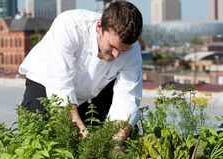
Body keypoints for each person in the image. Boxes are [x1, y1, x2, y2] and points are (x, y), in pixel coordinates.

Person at [19, 1, 143, 141]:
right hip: (45, 82)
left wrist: (116, 142)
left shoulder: (133, 50)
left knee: (100, 138)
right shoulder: (69, 25)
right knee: (35, 136)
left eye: (123, 50)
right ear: (99, 27)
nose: (116, 55)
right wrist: (85, 138)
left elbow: (127, 99)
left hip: (89, 92)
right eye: (112, 46)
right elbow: (60, 88)